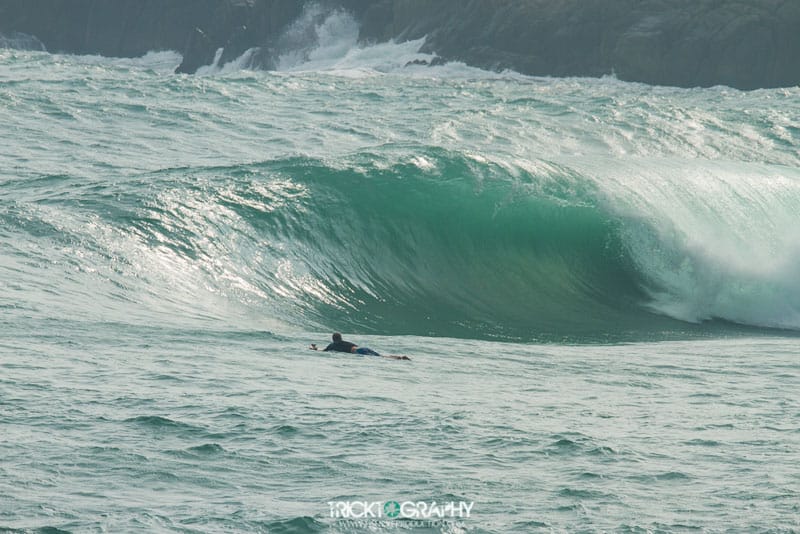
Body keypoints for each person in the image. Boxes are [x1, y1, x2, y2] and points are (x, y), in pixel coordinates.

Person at [310, 333, 410, 360]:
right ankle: (399, 357)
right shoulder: (345, 342)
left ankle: (399, 358)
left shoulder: (332, 345)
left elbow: (323, 351)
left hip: (359, 352)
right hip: (362, 348)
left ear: (333, 339)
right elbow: (356, 346)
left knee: (381, 358)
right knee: (381, 356)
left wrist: (314, 348)